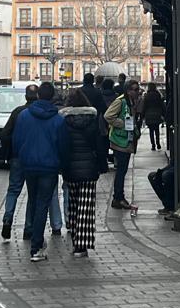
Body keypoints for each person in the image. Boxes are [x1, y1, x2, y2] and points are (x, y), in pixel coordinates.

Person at [9, 81, 66, 262]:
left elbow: (16, 141)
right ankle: (36, 247)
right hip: (49, 167)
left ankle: (33, 236)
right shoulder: (58, 119)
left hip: (29, 165)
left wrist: (23, 156)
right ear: (53, 98)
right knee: (42, 204)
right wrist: (60, 164)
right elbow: (62, 146)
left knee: (33, 201)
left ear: (39, 96)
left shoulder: (24, 116)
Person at [59, 89, 107, 255]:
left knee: (73, 202)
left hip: (70, 168)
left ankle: (73, 231)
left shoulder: (63, 121)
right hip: (89, 168)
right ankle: (82, 245)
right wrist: (102, 165)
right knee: (86, 206)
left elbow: (62, 145)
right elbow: (100, 145)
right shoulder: (94, 119)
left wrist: (62, 165)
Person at [105, 78, 139, 210]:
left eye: (138, 89)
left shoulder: (130, 102)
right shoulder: (120, 101)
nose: (137, 92)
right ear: (128, 90)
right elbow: (108, 116)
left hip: (126, 139)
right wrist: (124, 125)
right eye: (135, 89)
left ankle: (118, 197)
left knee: (122, 170)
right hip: (120, 141)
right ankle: (118, 197)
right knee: (121, 170)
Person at [141, 82, 166, 150]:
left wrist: (142, 116)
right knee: (157, 130)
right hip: (157, 114)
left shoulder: (146, 95)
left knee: (151, 131)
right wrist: (164, 114)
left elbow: (144, 106)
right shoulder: (158, 95)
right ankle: (158, 143)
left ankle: (153, 145)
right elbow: (161, 105)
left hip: (149, 115)